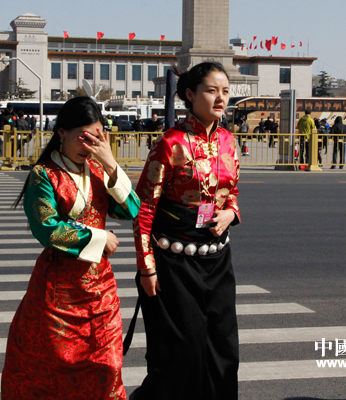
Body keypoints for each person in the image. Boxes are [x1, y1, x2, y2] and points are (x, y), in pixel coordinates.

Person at [1, 97, 140, 399]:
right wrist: (100, 238)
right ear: (61, 133)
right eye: (84, 136)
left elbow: (130, 210)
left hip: (101, 289)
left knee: (108, 366)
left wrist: (110, 162)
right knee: (51, 369)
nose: (90, 144)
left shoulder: (100, 170)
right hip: (58, 292)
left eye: (98, 136)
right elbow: (47, 229)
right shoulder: (44, 174)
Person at [132, 62, 240, 400]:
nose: (220, 97)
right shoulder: (170, 143)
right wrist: (146, 267)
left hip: (218, 259)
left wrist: (231, 214)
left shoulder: (228, 141)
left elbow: (231, 192)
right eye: (211, 90)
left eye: (224, 91)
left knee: (224, 349)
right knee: (183, 352)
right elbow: (144, 207)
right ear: (190, 95)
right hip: (174, 263)